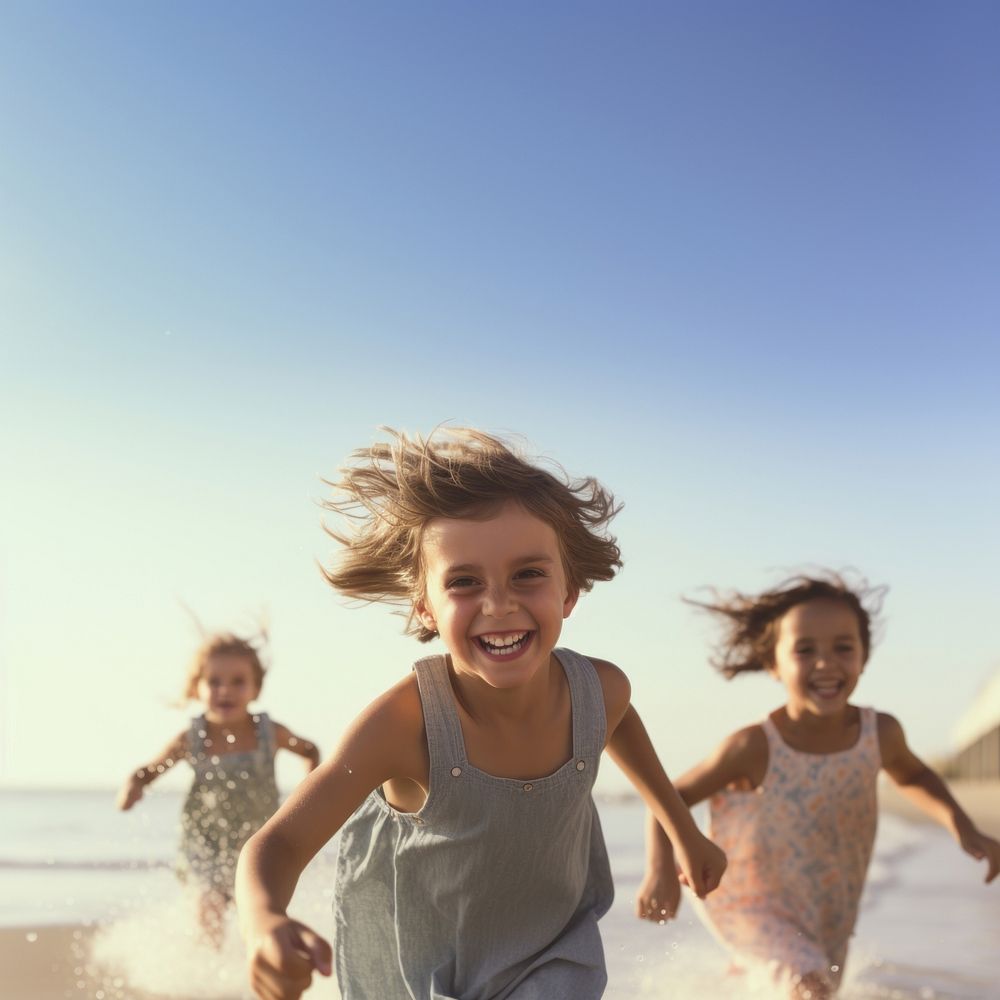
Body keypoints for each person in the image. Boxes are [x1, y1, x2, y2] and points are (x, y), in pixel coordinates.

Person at [236, 427, 726, 1000]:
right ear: (425, 604)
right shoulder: (406, 724)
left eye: (529, 574)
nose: (499, 605)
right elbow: (278, 845)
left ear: (569, 589)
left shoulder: (599, 688)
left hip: (551, 948)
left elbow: (619, 723)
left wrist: (682, 829)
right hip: (417, 968)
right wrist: (263, 922)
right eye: (465, 582)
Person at [640, 573, 1000, 999]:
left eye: (842, 648)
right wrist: (660, 870)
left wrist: (961, 825)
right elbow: (670, 798)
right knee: (811, 990)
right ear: (774, 664)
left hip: (831, 908)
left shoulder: (879, 733)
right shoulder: (754, 746)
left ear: (863, 657)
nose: (826, 663)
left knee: (813, 986)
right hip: (752, 906)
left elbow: (915, 775)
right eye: (805, 650)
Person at [117, 630, 320, 945]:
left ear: (256, 688)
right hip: (205, 844)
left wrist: (308, 794)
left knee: (258, 913)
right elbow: (149, 771)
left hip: (259, 840)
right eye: (214, 682)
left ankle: (254, 972)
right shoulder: (192, 738)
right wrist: (133, 786)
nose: (225, 690)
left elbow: (310, 751)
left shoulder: (270, 733)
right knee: (208, 906)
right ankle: (210, 978)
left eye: (238, 681)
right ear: (196, 688)